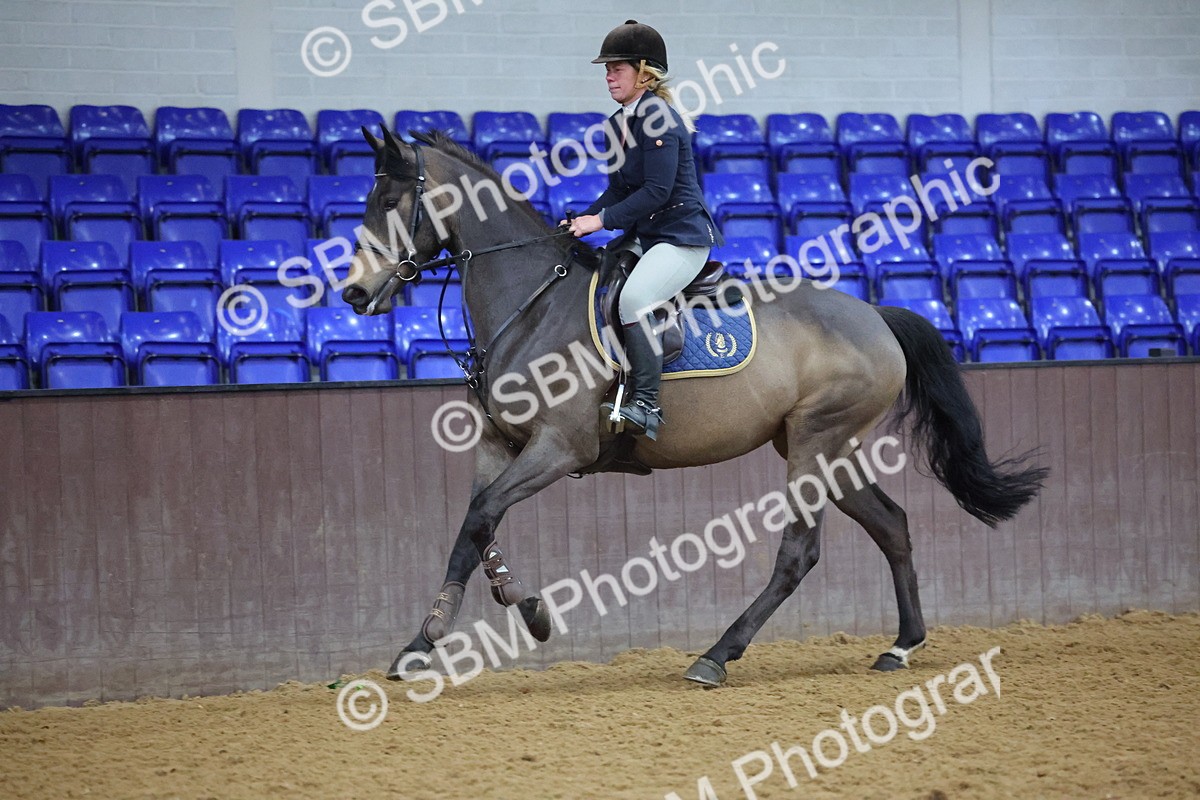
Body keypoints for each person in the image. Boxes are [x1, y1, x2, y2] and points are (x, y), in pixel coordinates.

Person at [565, 19, 725, 441]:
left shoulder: (658, 116)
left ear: (644, 71)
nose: (608, 75)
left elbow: (655, 192)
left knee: (634, 301)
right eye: (606, 68)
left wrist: (600, 221)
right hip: (645, 237)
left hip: (681, 238)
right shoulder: (617, 123)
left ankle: (647, 404)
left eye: (616, 68)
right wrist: (580, 220)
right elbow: (618, 190)